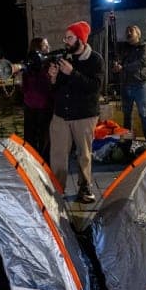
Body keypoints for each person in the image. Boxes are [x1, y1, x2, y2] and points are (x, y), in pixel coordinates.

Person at [48, 21, 104, 204]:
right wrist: (54, 78)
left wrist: (72, 73)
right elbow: (57, 89)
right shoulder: (65, 57)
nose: (66, 41)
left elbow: (94, 87)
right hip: (61, 115)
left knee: (84, 154)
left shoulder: (95, 60)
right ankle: (57, 188)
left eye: (69, 37)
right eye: (65, 38)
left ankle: (85, 187)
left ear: (81, 39)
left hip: (84, 115)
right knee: (57, 154)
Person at [113, 24, 146, 145]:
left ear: (138, 33)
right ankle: (128, 142)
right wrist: (116, 66)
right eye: (127, 31)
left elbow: (142, 62)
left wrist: (123, 67)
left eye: (131, 31)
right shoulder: (124, 49)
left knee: (144, 113)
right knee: (127, 115)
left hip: (139, 85)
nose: (128, 33)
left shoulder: (145, 47)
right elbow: (119, 62)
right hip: (125, 85)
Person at [22, 37, 53, 158]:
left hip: (40, 106)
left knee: (43, 141)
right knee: (34, 140)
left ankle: (43, 165)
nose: (48, 48)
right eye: (45, 46)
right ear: (37, 49)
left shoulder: (48, 63)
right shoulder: (31, 65)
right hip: (37, 107)